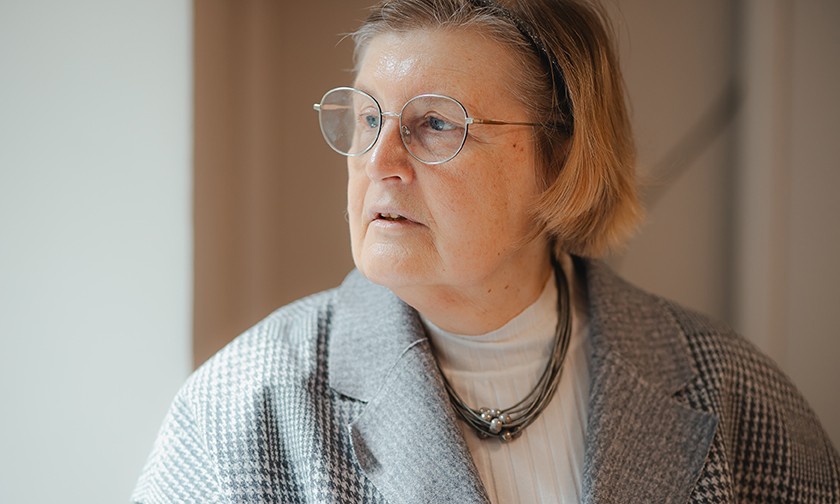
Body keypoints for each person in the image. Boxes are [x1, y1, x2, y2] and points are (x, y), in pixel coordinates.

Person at [132, 0, 840, 502]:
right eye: (368, 117)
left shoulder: (737, 394)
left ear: (560, 160)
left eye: (437, 124)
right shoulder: (241, 410)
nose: (379, 162)